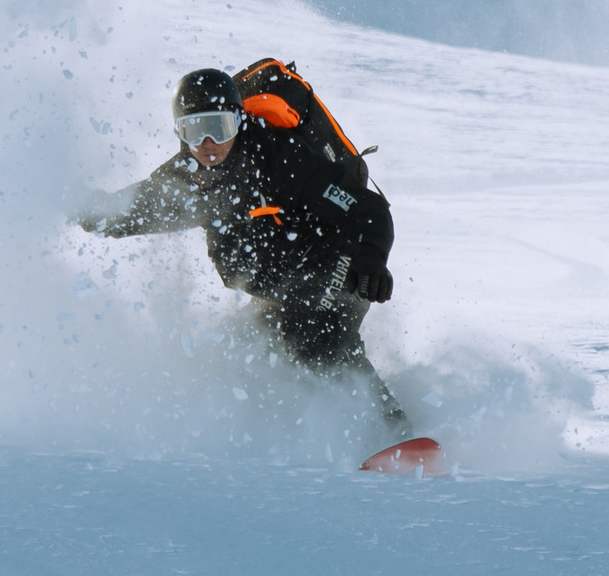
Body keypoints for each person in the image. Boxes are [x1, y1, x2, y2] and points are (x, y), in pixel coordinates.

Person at [78, 65, 410, 433]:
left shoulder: (281, 159)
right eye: (194, 130)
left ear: (238, 121)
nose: (208, 143)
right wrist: (78, 206)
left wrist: (371, 258)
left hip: (338, 252)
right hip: (285, 284)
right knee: (241, 349)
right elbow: (130, 211)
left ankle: (391, 432)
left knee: (315, 336)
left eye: (219, 127)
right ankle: (298, 436)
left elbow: (366, 208)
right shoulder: (186, 179)